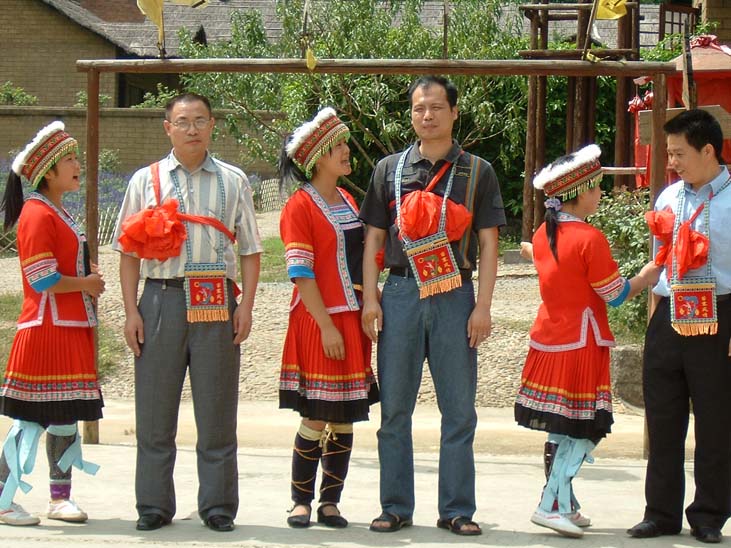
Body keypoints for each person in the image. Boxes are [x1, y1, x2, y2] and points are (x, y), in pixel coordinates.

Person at [360, 75, 505, 536]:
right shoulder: (388, 169)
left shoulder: (478, 171)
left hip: (455, 296)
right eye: (419, 108)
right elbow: (374, 239)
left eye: (437, 107)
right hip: (400, 294)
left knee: (459, 411)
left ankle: (457, 509)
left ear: (454, 113)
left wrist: (483, 306)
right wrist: (371, 298)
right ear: (411, 114)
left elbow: (489, 243)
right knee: (394, 410)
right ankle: (395, 506)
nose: (428, 115)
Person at [112, 92, 262, 533]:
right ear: (168, 128)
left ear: (212, 125)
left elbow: (251, 249)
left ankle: (218, 506)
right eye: (183, 121)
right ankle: (153, 505)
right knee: (154, 409)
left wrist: (246, 305)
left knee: (217, 408)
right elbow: (127, 252)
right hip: (161, 298)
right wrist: (131, 311)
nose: (191, 128)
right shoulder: (145, 180)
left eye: (200, 120)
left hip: (217, 298)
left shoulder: (234, 180)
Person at [515, 144, 660, 538]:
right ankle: (549, 504)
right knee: (585, 427)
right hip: (582, 340)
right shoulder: (589, 237)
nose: (600, 194)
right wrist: (645, 277)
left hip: (549, 338)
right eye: (596, 187)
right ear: (579, 193)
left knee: (560, 426)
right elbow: (614, 294)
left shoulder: (543, 234)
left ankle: (564, 503)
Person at [627, 108, 731, 544]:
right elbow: (659, 264)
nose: (671, 162)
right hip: (670, 314)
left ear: (708, 150)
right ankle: (660, 513)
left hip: (720, 315)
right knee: (663, 419)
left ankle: (709, 515)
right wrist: (653, 320)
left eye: (678, 153)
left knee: (716, 421)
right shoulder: (668, 198)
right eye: (668, 153)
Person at [277, 107, 379, 529]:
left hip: (351, 319)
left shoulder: (348, 200)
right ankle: (300, 500)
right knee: (316, 414)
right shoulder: (299, 206)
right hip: (320, 320)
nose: (346, 151)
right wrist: (326, 326)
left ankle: (330, 502)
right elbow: (301, 272)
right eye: (338, 146)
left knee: (344, 414)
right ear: (318, 156)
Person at [0, 121, 105, 526]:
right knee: (31, 419)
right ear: (48, 171)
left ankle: (60, 498)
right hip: (46, 330)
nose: (78, 166)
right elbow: (41, 278)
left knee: (64, 417)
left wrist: (85, 277)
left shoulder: (57, 212)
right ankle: (3, 498)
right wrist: (86, 283)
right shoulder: (36, 213)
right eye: (71, 159)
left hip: (68, 328)